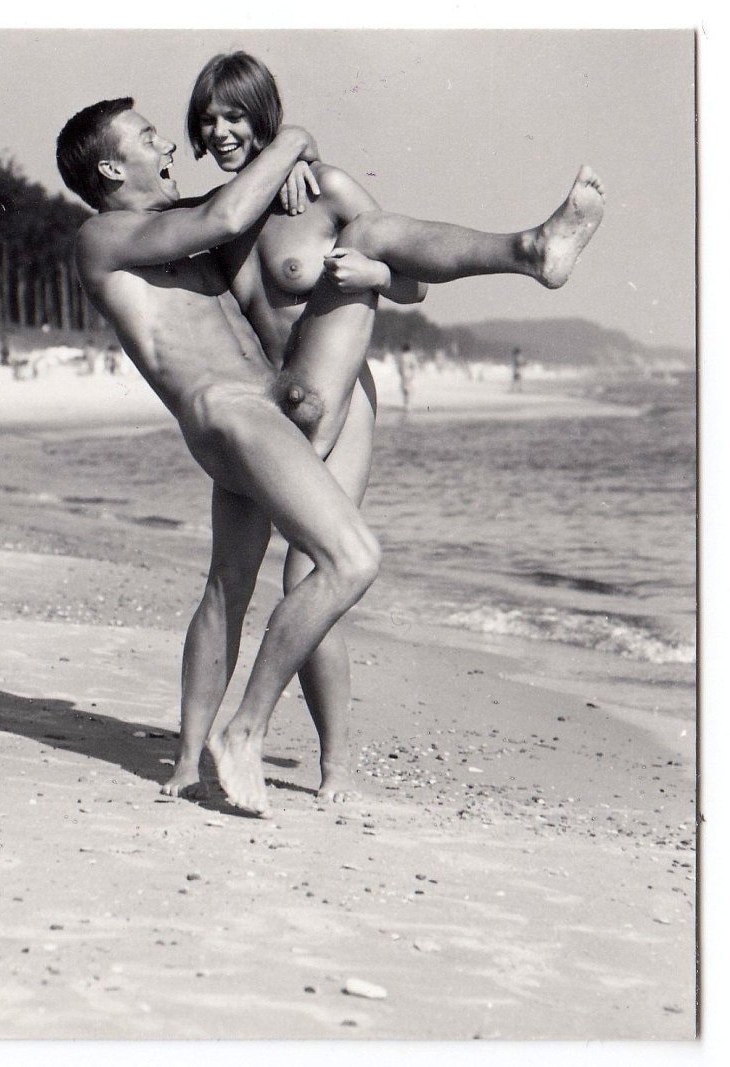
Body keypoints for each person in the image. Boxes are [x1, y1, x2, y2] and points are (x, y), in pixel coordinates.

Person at [162, 51, 606, 803]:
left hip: (338, 403)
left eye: (235, 115)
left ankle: (335, 765)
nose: (221, 129)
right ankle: (184, 757)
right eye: (209, 119)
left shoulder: (327, 190)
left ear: (262, 114)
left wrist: (376, 280)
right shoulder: (219, 216)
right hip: (265, 412)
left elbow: (415, 284)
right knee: (225, 585)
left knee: (311, 575)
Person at [57, 97, 383, 815]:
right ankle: (244, 730)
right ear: (112, 167)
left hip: (254, 416)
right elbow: (227, 216)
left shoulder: (173, 230)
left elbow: (238, 206)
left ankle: (185, 761)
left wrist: (292, 173)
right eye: (147, 139)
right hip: (229, 414)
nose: (168, 146)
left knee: (227, 587)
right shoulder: (104, 236)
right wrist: (295, 136)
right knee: (351, 558)